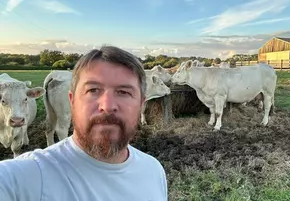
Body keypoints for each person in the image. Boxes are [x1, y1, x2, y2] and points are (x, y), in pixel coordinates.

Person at [0, 45, 168, 201]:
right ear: (72, 101)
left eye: (123, 92)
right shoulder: (26, 176)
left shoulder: (154, 171)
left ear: (141, 104)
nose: (107, 106)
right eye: (93, 90)